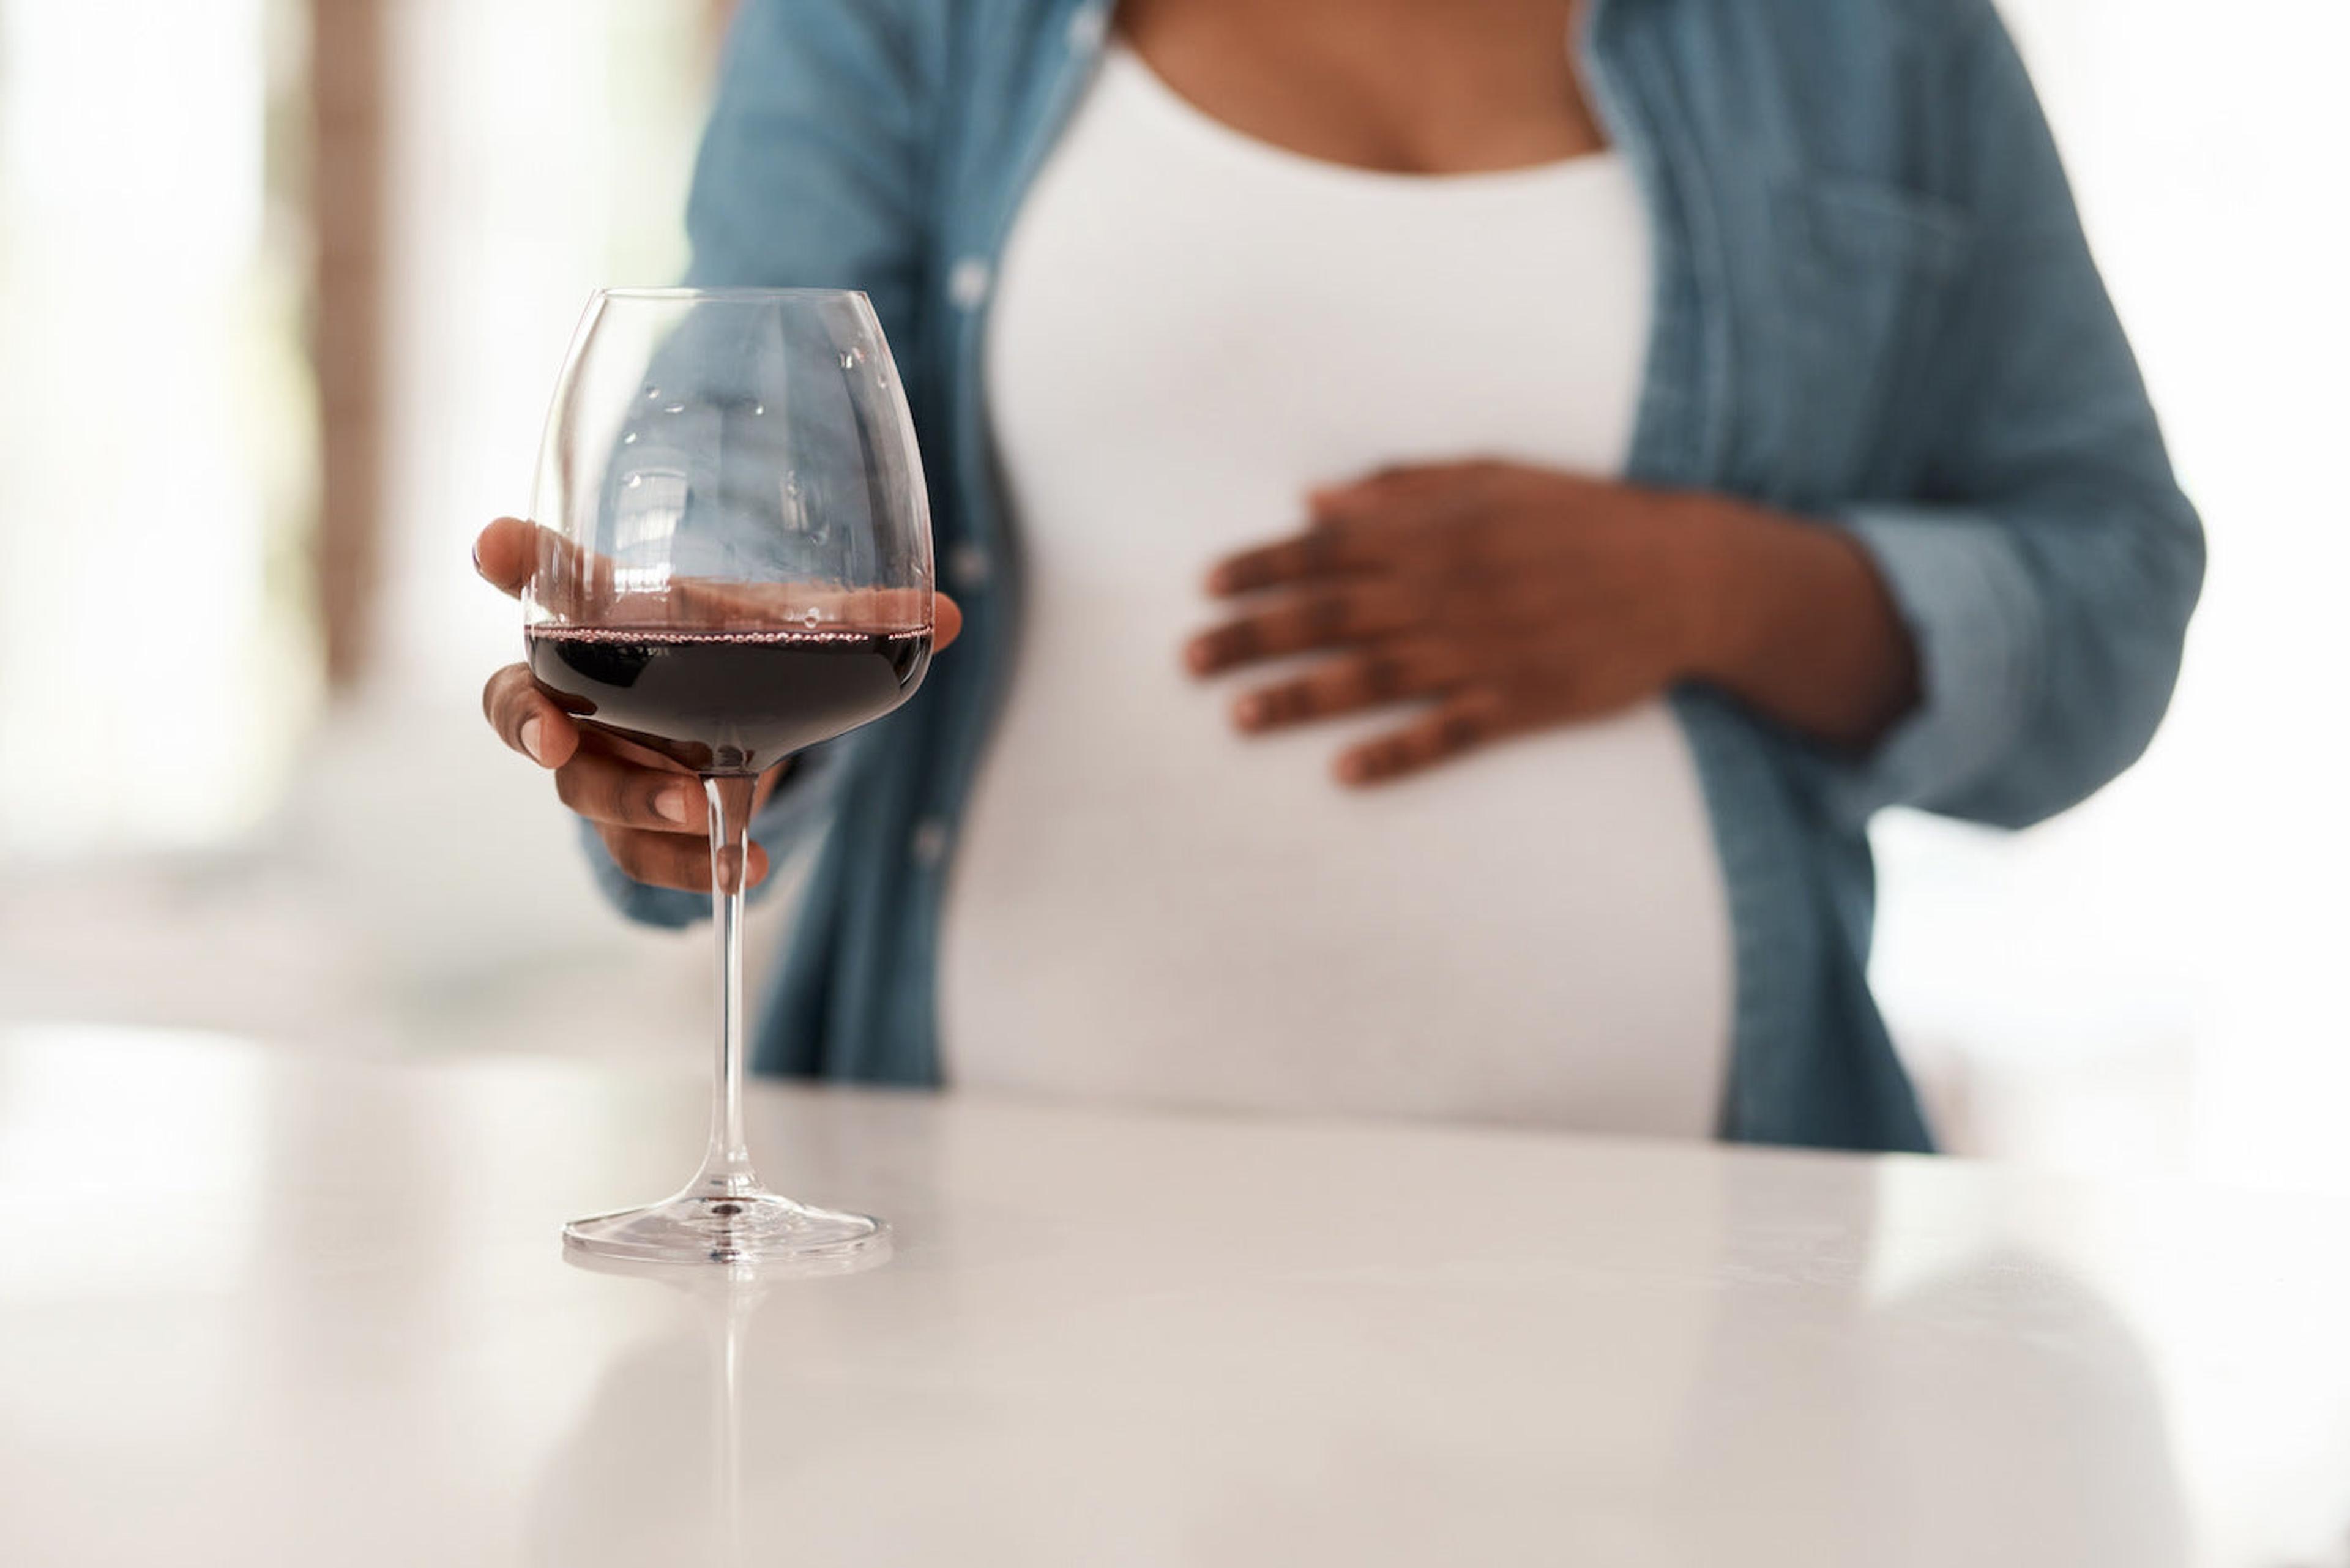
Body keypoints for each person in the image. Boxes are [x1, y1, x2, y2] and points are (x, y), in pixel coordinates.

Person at [476, 0, 2202, 1151]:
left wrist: (1719, 587)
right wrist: (694, 716)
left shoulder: (1876, 37)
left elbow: (2112, 586)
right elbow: (758, 480)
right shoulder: (904, 21)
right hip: (989, 1270)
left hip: (1702, 1280)